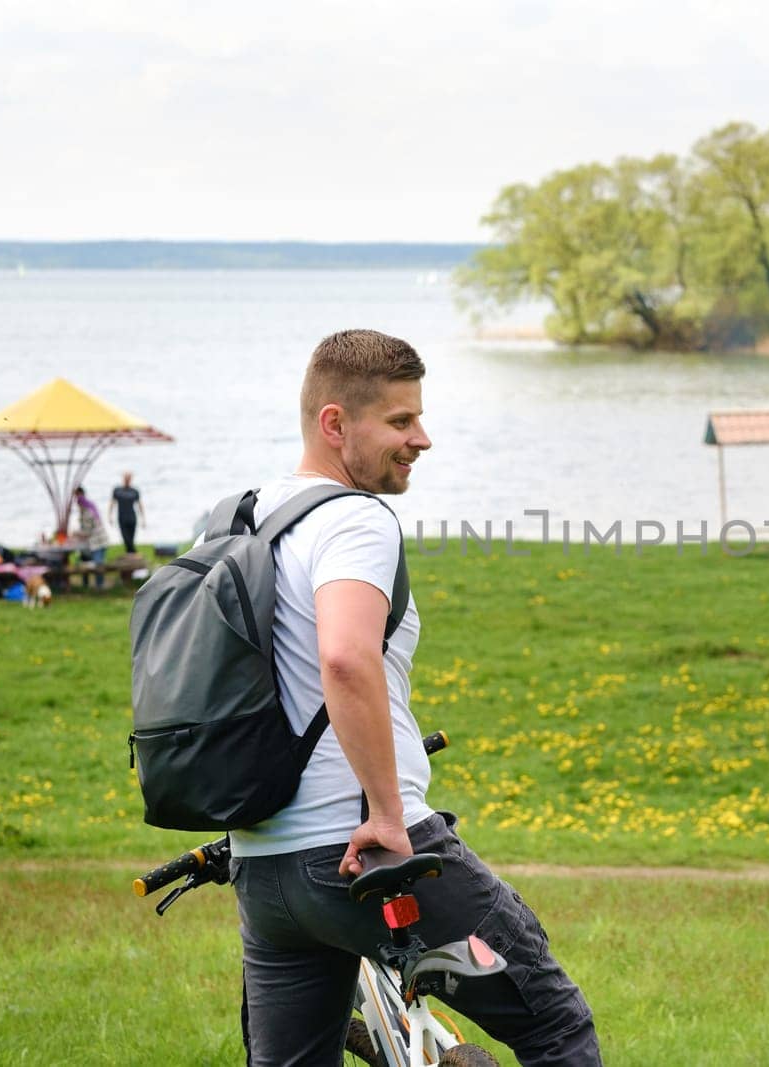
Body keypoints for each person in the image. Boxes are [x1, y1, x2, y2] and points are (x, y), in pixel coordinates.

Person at [230, 329, 601, 1066]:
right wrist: (388, 814)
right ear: (336, 424)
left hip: (265, 869)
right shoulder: (354, 519)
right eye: (401, 421)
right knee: (556, 1027)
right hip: (360, 854)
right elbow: (344, 654)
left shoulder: (244, 519)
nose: (422, 439)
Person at [73, 486, 111, 588]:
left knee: (98, 563)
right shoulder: (90, 508)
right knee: (90, 561)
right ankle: (89, 584)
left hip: (97, 542)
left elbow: (87, 532)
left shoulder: (87, 513)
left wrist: (75, 534)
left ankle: (99, 586)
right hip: (100, 540)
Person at [109, 472, 145, 554]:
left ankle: (130, 553)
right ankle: (132, 552)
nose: (127, 480)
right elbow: (112, 503)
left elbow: (139, 505)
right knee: (125, 537)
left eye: (129, 478)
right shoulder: (117, 490)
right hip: (122, 517)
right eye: (126, 478)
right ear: (123, 478)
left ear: (131, 479)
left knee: (131, 537)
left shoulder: (134, 491)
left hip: (132, 517)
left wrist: (143, 518)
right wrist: (110, 516)